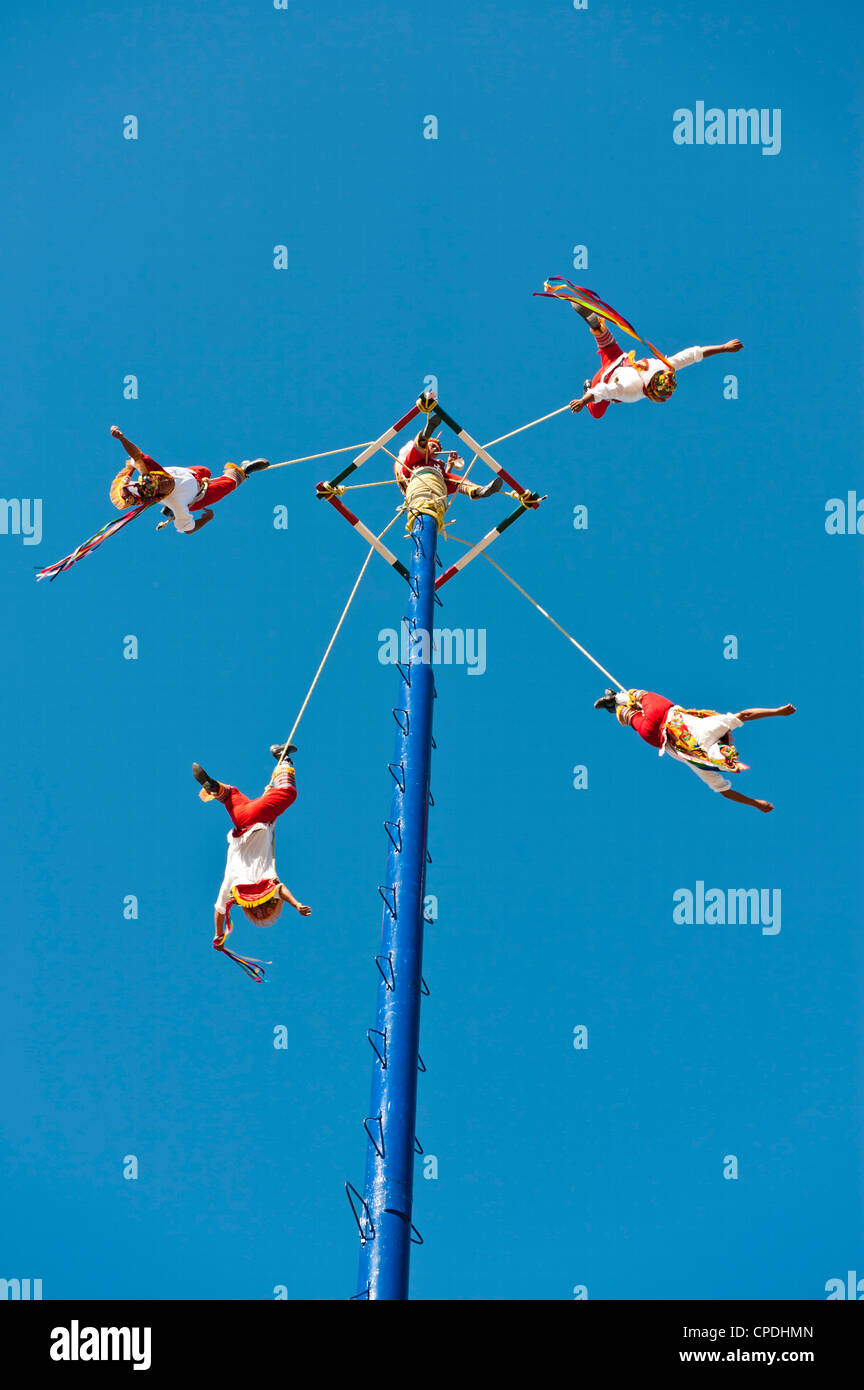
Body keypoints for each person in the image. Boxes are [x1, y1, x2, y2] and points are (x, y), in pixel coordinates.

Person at [192, 743, 311, 954]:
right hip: (240, 820)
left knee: (288, 794)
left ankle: (281, 757)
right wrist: (218, 935)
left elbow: (280, 890)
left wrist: (297, 904)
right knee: (231, 795)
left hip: (257, 819)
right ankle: (215, 789)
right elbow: (219, 911)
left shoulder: (264, 883)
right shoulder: (233, 890)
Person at [593, 688, 795, 811]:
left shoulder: (714, 728)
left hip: (662, 714)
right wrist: (756, 804)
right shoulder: (702, 765)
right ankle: (616, 708)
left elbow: (744, 715)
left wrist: (777, 712)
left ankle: (618, 698)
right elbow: (726, 792)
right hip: (653, 737)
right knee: (632, 718)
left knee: (641, 695)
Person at [567, 304, 743, 418]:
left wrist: (724, 347)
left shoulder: (663, 367)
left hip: (619, 360)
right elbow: (604, 390)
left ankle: (598, 327)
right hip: (605, 378)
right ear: (651, 391)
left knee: (609, 350)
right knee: (596, 411)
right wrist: (584, 400)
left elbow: (692, 355)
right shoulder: (633, 390)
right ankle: (587, 387)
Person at [108, 426, 270, 534]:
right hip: (196, 498)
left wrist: (121, 438)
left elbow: (136, 454)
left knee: (205, 470)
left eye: (162, 479)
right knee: (228, 484)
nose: (166, 481)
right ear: (160, 496)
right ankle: (246, 470)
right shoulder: (177, 503)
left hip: (193, 475)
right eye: (163, 486)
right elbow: (188, 529)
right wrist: (205, 519)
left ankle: (168, 508)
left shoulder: (151, 471)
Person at [394, 411, 502, 530]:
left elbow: (444, 477)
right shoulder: (419, 457)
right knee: (418, 451)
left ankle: (478, 491)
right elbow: (412, 459)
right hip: (414, 472)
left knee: (457, 480)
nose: (436, 449)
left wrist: (449, 465)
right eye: (433, 446)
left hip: (436, 479)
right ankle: (424, 438)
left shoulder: (438, 464)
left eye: (437, 448)